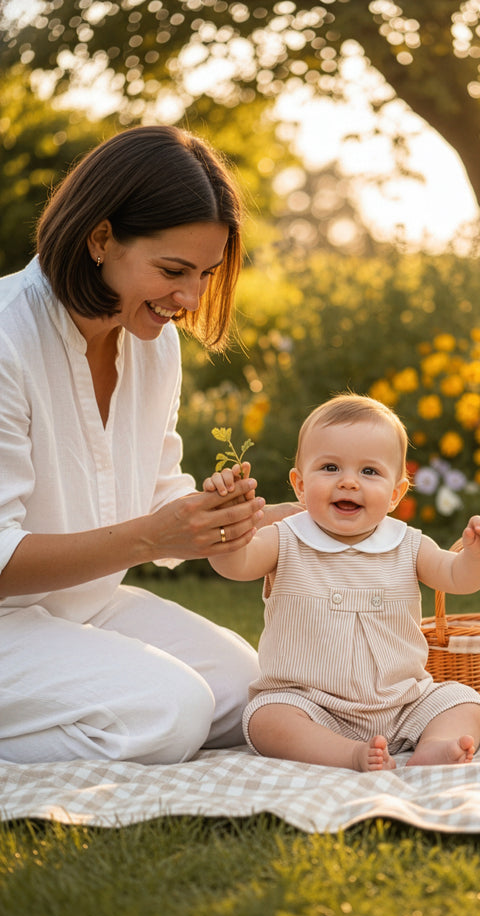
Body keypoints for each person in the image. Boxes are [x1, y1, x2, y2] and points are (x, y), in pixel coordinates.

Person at [0, 125, 297, 765]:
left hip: (81, 610)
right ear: (100, 238)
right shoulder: (5, 341)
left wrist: (305, 517)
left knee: (251, 693)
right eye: (172, 271)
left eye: (205, 274)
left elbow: (162, 500)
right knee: (172, 711)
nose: (189, 299)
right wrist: (152, 537)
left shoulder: (155, 346)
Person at [204, 394, 480, 772]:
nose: (348, 482)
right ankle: (345, 754)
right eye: (330, 467)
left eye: (369, 472)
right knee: (266, 719)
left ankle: (436, 745)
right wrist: (223, 523)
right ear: (299, 485)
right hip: (311, 705)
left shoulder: (408, 543)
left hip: (403, 704)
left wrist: (478, 557)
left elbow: (457, 577)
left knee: (463, 700)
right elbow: (236, 563)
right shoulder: (285, 539)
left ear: (396, 494)